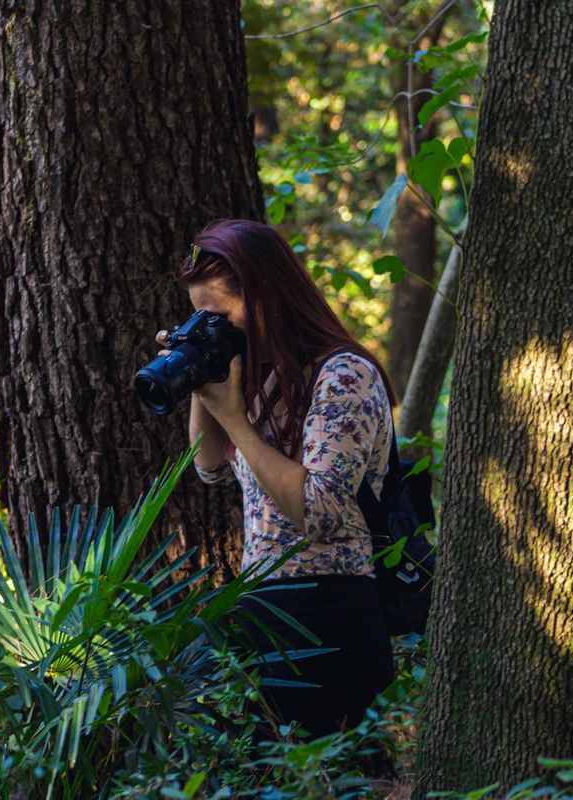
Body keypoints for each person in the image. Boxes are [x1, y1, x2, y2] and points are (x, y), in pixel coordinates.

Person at [153, 219, 396, 740]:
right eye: (200, 317)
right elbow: (210, 467)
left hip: (332, 608)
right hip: (265, 605)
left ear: (268, 295)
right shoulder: (263, 377)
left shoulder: (343, 374)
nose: (214, 326)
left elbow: (321, 511)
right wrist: (198, 368)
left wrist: (238, 420)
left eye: (218, 316)